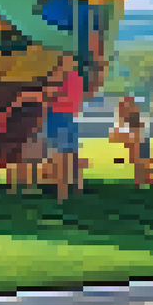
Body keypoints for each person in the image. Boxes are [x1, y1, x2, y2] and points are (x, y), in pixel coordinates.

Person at [44, 54, 85, 202]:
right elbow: (78, 102)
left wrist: (53, 93)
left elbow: (48, 95)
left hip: (57, 117)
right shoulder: (78, 79)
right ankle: (72, 187)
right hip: (69, 118)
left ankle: (61, 192)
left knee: (59, 155)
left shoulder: (59, 76)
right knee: (69, 154)